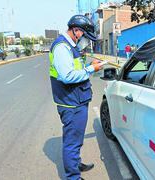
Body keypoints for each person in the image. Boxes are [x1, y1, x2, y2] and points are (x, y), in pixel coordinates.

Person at [49, 15, 104, 180]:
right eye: (86, 37)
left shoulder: (70, 46)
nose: (86, 41)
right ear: (76, 31)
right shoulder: (62, 47)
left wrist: (89, 65)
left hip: (76, 100)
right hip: (71, 103)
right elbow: (67, 76)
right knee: (72, 142)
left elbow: (74, 67)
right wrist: (91, 70)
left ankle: (75, 163)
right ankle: (73, 176)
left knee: (76, 139)